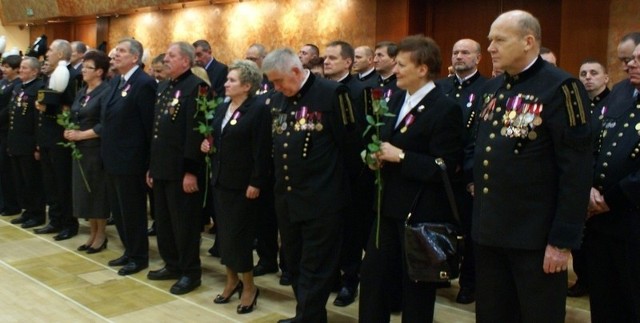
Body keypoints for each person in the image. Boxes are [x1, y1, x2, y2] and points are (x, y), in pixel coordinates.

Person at [471, 10, 592, 322]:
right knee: (493, 314)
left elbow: (576, 171)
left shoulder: (561, 88)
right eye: (489, 41)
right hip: (490, 232)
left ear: (528, 41)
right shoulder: (494, 88)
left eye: (499, 40)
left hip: (535, 238)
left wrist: (562, 241)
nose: (491, 48)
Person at [359, 35, 463, 323]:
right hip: (386, 209)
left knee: (416, 289)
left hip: (419, 214)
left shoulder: (445, 108)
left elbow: (445, 166)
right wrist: (374, 157)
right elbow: (382, 141)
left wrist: (401, 157)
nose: (396, 70)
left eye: (402, 64)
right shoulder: (393, 98)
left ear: (423, 68)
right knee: (373, 280)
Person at [263, 48, 354, 323]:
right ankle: (308, 315)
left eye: (279, 81)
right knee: (293, 262)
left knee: (316, 267)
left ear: (295, 70)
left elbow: (350, 148)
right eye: (273, 83)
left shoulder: (331, 94)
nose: (276, 88)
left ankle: (308, 317)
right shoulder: (279, 100)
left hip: (322, 200)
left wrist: (339, 194)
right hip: (288, 199)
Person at [201, 59, 270, 313]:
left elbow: (261, 150)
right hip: (221, 180)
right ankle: (231, 281)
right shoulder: (222, 107)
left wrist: (256, 181)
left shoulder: (258, 109)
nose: (226, 83)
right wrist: (207, 146)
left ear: (247, 86)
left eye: (232, 80)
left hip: (243, 185)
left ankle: (249, 286)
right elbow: (216, 137)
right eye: (227, 79)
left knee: (239, 237)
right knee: (226, 236)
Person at [584, 42, 640, 323]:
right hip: (601, 222)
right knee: (604, 301)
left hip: (632, 220)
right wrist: (590, 187)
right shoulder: (621, 93)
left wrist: (610, 199)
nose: (631, 64)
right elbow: (594, 140)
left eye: (639, 60)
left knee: (632, 301)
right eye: (632, 59)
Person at [145, 42, 206, 295]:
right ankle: (172, 264)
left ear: (186, 61)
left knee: (185, 225)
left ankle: (190, 273)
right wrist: (151, 167)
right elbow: (157, 131)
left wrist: (191, 171)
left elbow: (196, 132)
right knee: (165, 222)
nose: (166, 59)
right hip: (161, 167)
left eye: (171, 56)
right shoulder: (163, 86)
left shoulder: (197, 88)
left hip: (182, 171)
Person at [435, 38, 488, 304]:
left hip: (466, 175)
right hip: (438, 173)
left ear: (478, 58)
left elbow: (480, 138)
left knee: (469, 233)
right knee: (438, 226)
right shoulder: (440, 86)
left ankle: (468, 283)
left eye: (465, 52)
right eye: (455, 52)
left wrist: (471, 176)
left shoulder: (487, 88)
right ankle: (438, 273)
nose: (459, 56)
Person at [101, 38, 157, 276]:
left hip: (131, 160)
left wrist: (147, 164)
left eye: (121, 52)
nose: (115, 55)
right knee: (119, 209)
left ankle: (139, 256)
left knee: (133, 211)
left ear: (135, 57)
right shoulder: (117, 81)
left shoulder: (144, 83)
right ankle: (128, 250)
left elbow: (148, 127)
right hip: (113, 158)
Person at [323, 40, 371, 308]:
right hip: (327, 174)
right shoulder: (322, 90)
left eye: (332, 58)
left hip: (353, 174)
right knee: (331, 231)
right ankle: (332, 276)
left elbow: (364, 134)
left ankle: (350, 281)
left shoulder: (361, 90)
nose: (326, 62)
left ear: (348, 62)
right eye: (325, 58)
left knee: (352, 231)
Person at [568, 58, 610, 298]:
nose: (587, 77)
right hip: (579, 179)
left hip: (601, 183)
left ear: (606, 78)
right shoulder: (577, 105)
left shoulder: (615, 103)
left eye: (594, 73)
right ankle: (583, 278)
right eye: (583, 73)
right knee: (580, 239)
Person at [33, 39, 81, 239]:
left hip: (61, 137)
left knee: (62, 183)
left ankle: (68, 224)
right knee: (50, 182)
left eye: (51, 50)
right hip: (46, 136)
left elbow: (71, 106)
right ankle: (55, 220)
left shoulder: (72, 75)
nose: (47, 54)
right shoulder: (50, 75)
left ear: (61, 54)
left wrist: (49, 108)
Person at [64, 50, 111, 253]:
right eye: (82, 66)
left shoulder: (106, 91)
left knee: (97, 192)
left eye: (88, 67)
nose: (83, 70)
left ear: (99, 71)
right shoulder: (83, 90)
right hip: (80, 150)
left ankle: (101, 234)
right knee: (85, 193)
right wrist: (69, 129)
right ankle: (92, 232)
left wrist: (81, 135)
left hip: (95, 149)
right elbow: (75, 114)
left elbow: (105, 123)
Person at [7, 57, 46, 228]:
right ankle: (27, 211)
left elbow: (38, 120)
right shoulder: (18, 87)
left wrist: (37, 145)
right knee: (20, 180)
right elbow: (13, 115)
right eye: (20, 67)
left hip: (29, 142)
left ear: (34, 72)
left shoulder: (39, 88)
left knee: (32, 181)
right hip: (16, 141)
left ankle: (37, 214)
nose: (20, 70)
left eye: (24, 68)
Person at [0, 54, 23, 217]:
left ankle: (11, 204)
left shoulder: (17, 85)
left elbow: (10, 108)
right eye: (3, 66)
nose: (3, 69)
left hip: (7, 129)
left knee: (7, 170)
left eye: (7, 67)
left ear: (16, 70)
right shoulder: (3, 82)